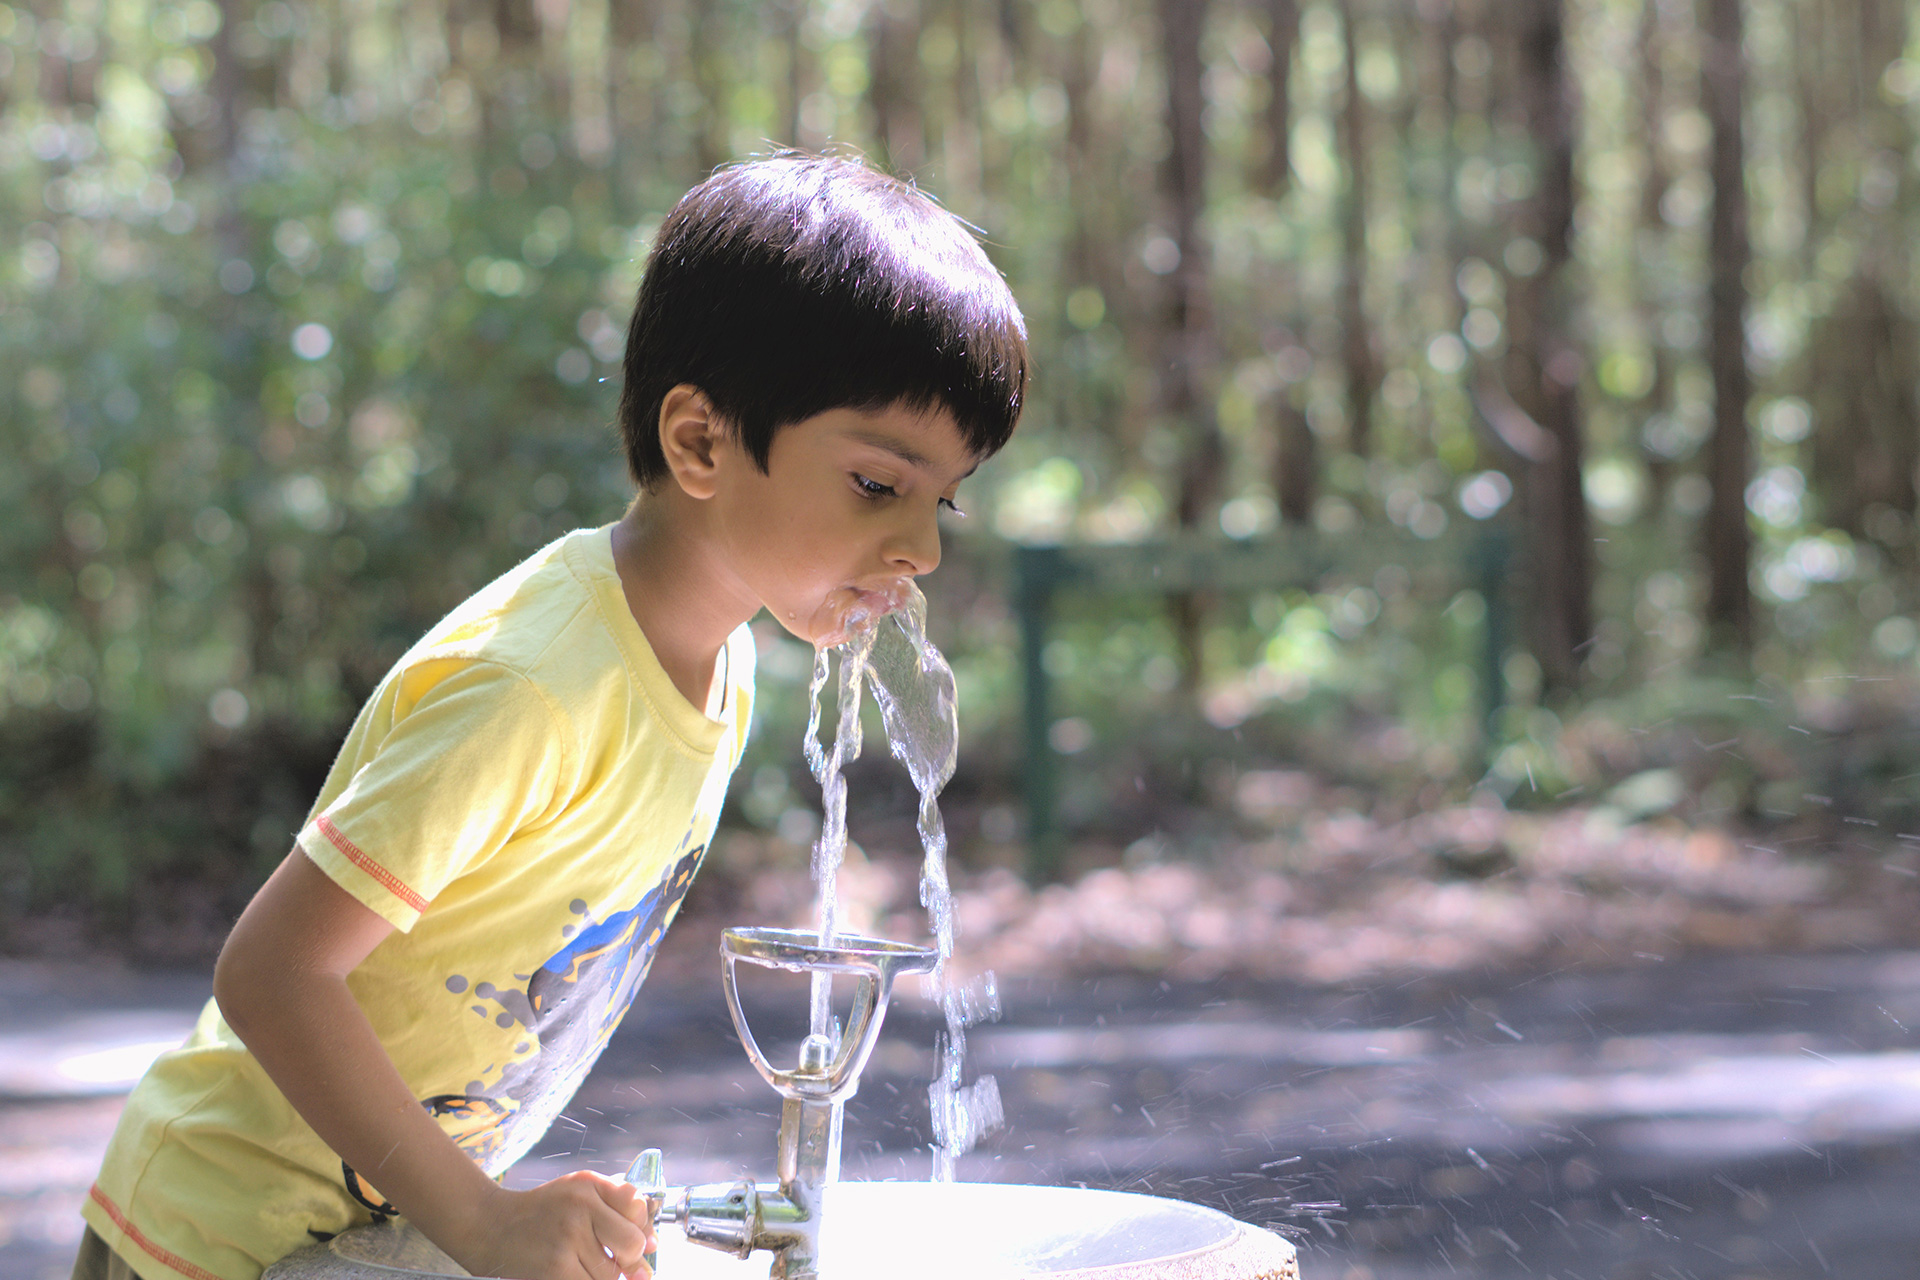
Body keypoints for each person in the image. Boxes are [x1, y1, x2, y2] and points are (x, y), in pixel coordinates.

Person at [75, 153, 1029, 1280]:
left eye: (943, 499)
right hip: (210, 1235)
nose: (921, 548)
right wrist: (484, 1219)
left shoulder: (719, 667)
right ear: (701, 442)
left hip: (374, 1227)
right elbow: (273, 972)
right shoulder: (533, 687)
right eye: (880, 484)